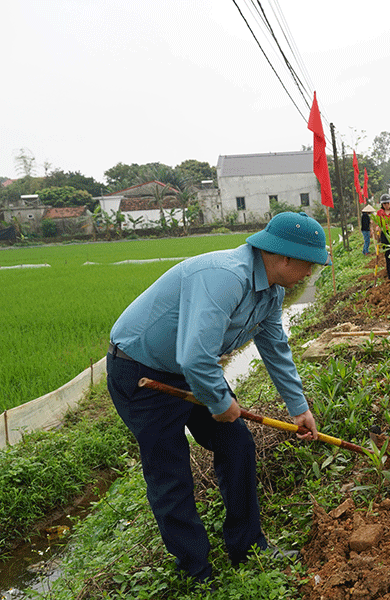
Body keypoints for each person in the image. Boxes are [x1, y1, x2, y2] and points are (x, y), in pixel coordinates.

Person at [106, 211, 330, 585]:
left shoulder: (271, 292)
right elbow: (195, 357)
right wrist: (222, 404)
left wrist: (299, 408)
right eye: (308, 265)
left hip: (192, 369)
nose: (309, 274)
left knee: (238, 444)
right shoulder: (226, 277)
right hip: (143, 370)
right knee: (170, 470)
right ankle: (196, 571)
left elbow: (275, 348)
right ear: (285, 257)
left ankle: (248, 546)